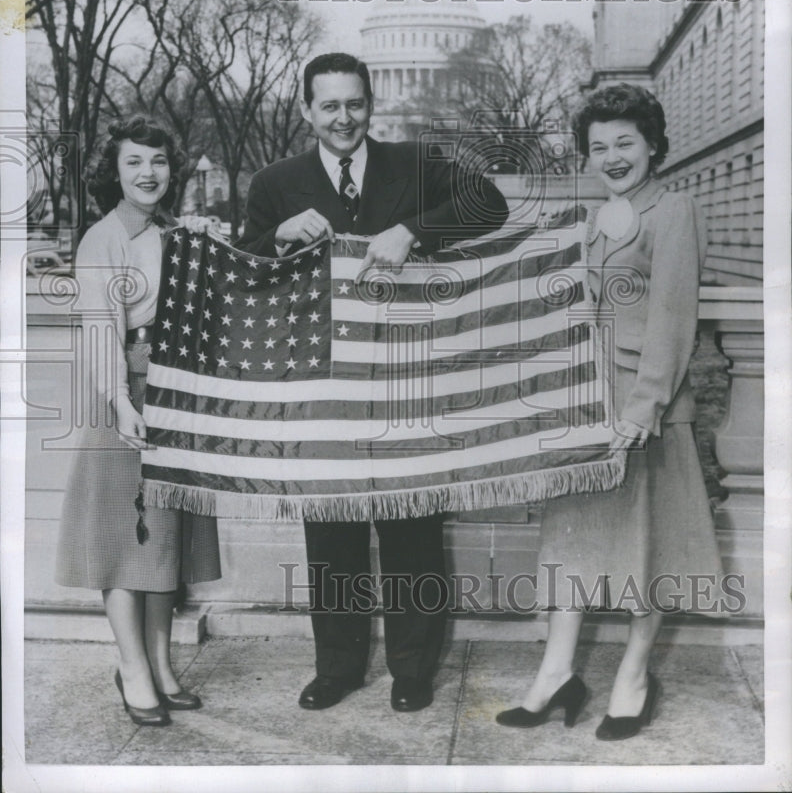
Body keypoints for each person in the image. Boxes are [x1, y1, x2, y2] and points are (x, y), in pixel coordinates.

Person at [238, 52, 509, 713]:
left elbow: (492, 204)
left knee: (412, 525)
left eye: (354, 103)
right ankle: (337, 667)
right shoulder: (276, 182)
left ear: (371, 102)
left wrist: (414, 230)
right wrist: (274, 236)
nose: (343, 117)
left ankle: (412, 669)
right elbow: (242, 270)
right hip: (320, 382)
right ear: (306, 109)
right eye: (328, 105)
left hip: (406, 379)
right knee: (330, 529)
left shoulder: (415, 163)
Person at [495, 83, 724, 740]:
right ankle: (557, 673)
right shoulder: (598, 218)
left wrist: (647, 405)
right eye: (599, 147)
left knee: (646, 551)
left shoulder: (673, 209)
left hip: (643, 414)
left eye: (626, 142)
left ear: (654, 144)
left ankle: (633, 676)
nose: (613, 156)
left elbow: (673, 315)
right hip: (588, 411)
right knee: (573, 544)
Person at [55, 117, 221, 727]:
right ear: (114, 173)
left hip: (174, 392)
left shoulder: (173, 233)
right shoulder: (104, 239)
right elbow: (100, 328)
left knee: (164, 541)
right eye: (134, 162)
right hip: (124, 392)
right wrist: (121, 402)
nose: (148, 172)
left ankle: (158, 661)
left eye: (157, 160)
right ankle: (131, 669)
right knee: (124, 541)